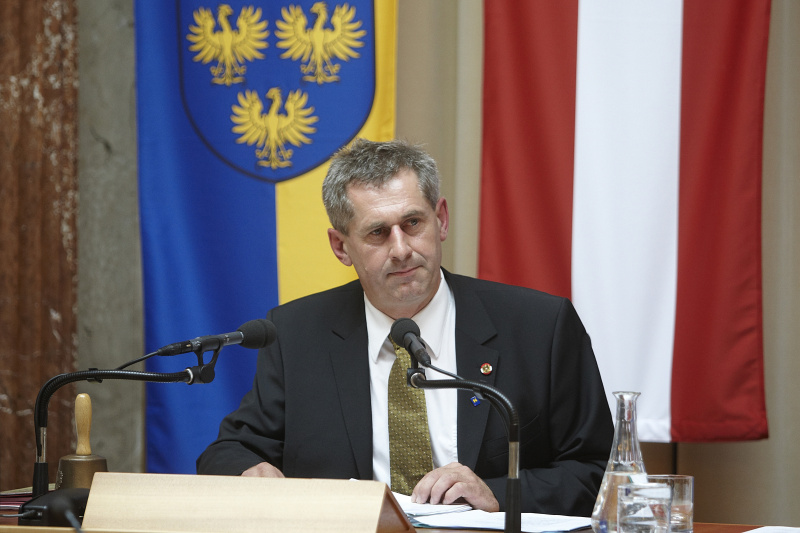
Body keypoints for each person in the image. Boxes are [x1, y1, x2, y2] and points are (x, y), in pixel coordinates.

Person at [196, 138, 613, 516]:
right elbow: (228, 451)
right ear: (341, 247)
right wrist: (249, 472)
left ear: (441, 219)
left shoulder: (540, 326)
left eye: (413, 223)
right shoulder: (295, 334)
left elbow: (598, 472)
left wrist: (497, 493)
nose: (401, 249)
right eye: (377, 233)